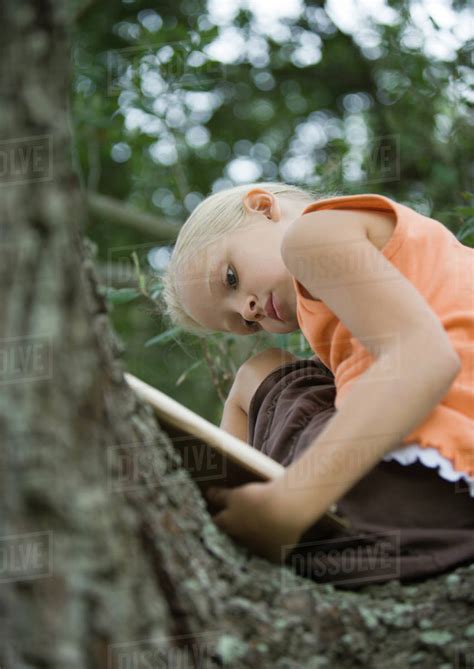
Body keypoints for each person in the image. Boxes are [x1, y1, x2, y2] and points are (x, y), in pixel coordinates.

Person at [159, 182, 474, 567]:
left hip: (427, 485)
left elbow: (425, 358)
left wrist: (286, 506)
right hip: (441, 486)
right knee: (264, 370)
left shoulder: (313, 237)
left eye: (230, 278)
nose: (249, 309)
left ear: (262, 207)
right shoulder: (415, 259)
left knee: (258, 374)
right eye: (244, 323)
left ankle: (237, 511)